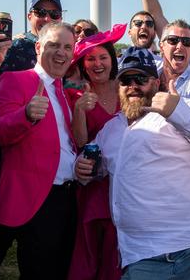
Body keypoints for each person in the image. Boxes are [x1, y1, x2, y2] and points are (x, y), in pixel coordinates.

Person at [74, 46, 190, 279]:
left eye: (141, 78)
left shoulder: (177, 108)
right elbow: (98, 166)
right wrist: (82, 167)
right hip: (137, 250)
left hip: (177, 246)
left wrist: (175, 109)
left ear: (156, 83)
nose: (133, 86)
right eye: (126, 80)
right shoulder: (112, 128)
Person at [0, 22, 77, 279]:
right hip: (37, 197)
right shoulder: (16, 79)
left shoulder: (63, 90)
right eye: (53, 45)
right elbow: (0, 132)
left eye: (67, 47)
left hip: (67, 196)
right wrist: (25, 115)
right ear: (38, 47)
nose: (61, 53)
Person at [66, 24, 125, 280]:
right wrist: (79, 110)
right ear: (83, 64)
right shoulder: (74, 95)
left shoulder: (127, 89)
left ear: (112, 60)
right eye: (90, 59)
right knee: (90, 247)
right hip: (94, 184)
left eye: (103, 57)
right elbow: (79, 142)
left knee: (117, 248)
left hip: (126, 182)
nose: (97, 64)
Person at [0, 0, 63, 97]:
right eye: (40, 12)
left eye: (54, 14)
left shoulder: (67, 51)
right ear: (29, 16)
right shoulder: (13, 47)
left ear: (60, 19)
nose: (47, 19)